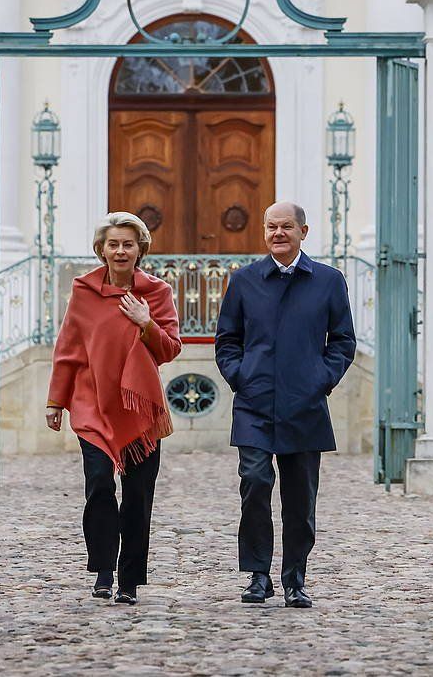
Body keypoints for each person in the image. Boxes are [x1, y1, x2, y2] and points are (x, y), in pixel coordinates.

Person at [214, 201, 356, 608]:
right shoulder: (244, 281)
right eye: (271, 227)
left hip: (305, 405)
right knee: (255, 485)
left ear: (303, 232)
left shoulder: (329, 281)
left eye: (287, 227)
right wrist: (240, 376)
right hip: (254, 404)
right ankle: (258, 576)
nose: (278, 233)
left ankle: (295, 578)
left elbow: (343, 341)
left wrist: (321, 380)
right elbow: (228, 340)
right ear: (264, 232)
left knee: (300, 498)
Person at [45, 211, 182, 606]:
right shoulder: (84, 291)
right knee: (100, 485)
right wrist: (57, 401)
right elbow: (68, 350)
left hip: (139, 410)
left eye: (128, 244)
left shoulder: (157, 292)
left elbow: (169, 349)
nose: (120, 251)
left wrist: (146, 322)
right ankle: (104, 568)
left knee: (138, 496)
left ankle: (129, 581)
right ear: (101, 250)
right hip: (92, 405)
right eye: (113, 244)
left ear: (141, 250)